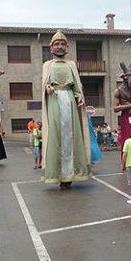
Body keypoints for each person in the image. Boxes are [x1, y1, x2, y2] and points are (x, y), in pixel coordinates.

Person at [41, 31, 91, 190]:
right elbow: (44, 84)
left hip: (69, 101)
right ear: (51, 48)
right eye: (57, 44)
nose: (60, 47)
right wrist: (47, 88)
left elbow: (77, 85)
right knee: (55, 137)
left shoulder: (71, 65)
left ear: (67, 47)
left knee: (71, 137)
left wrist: (79, 96)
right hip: (54, 101)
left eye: (63, 44)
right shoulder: (47, 65)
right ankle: (57, 174)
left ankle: (70, 175)